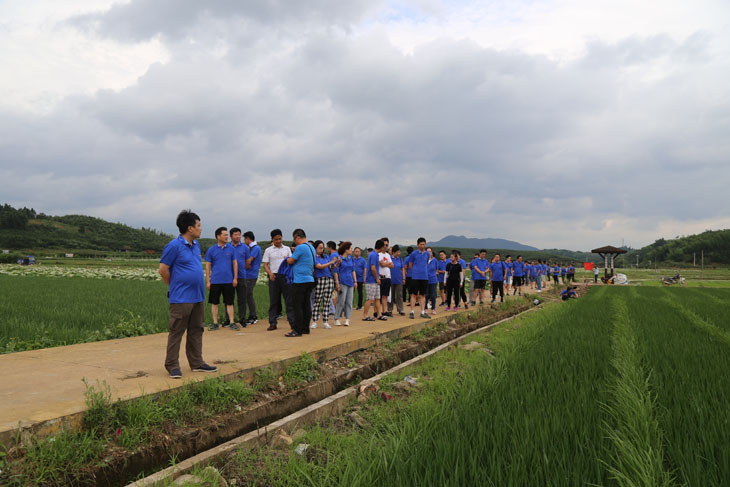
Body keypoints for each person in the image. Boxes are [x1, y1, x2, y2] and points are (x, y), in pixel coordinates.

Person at [159, 210, 217, 378]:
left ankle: (197, 362)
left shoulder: (196, 245)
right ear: (190, 228)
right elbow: (163, 270)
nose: (201, 228)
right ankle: (172, 365)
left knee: (196, 330)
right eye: (198, 225)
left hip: (198, 296)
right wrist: (175, 286)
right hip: (181, 298)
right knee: (177, 331)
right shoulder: (174, 246)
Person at [205, 227, 238, 330]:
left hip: (228, 280)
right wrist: (208, 281)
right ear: (218, 236)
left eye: (227, 235)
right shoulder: (211, 250)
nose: (227, 237)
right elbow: (208, 266)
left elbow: (235, 263)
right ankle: (215, 323)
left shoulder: (231, 249)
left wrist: (235, 278)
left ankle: (232, 322)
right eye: (225, 235)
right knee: (214, 302)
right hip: (215, 281)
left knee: (230, 302)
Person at [285, 229, 315, 337]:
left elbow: (291, 261)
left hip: (300, 280)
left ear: (297, 237)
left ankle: (297, 330)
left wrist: (286, 258)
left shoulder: (300, 247)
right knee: (306, 305)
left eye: (294, 239)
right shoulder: (311, 247)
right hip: (309, 279)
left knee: (297, 306)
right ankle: (305, 328)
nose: (295, 242)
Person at [262, 229, 293, 331]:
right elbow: (265, 264)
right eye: (276, 239)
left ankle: (292, 322)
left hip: (285, 276)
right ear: (272, 239)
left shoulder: (287, 249)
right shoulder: (268, 250)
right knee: (274, 301)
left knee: (289, 300)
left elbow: (291, 262)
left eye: (280, 239)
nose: (278, 241)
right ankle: (272, 323)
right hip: (274, 276)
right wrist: (270, 273)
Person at [311, 240, 336, 329]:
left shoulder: (326, 256)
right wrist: (331, 262)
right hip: (320, 279)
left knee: (327, 300)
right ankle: (314, 321)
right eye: (320, 248)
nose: (322, 250)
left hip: (329, 279)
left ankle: (325, 321)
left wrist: (335, 263)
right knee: (317, 300)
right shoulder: (314, 257)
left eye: (322, 248)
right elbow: (319, 266)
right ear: (315, 248)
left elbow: (331, 267)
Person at [333, 241, 357, 326]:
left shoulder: (351, 259)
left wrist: (355, 281)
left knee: (349, 301)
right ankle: (337, 318)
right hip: (342, 281)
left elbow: (353, 270)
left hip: (350, 282)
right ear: (346, 250)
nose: (351, 250)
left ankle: (347, 318)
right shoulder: (339, 259)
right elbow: (335, 271)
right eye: (350, 248)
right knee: (341, 301)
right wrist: (337, 283)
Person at [229, 228, 249, 328]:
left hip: (242, 276)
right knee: (229, 300)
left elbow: (247, 262)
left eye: (239, 235)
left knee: (242, 299)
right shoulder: (227, 247)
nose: (238, 236)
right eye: (235, 235)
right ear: (231, 236)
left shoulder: (245, 247)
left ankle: (242, 319)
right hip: (229, 277)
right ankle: (229, 320)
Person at [363, 240, 387, 321]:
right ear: (381, 247)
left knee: (377, 298)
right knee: (370, 299)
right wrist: (377, 278)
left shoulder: (376, 255)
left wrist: (379, 274)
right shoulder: (373, 255)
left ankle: (379, 314)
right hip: (371, 280)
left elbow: (374, 269)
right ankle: (365, 315)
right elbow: (372, 268)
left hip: (375, 280)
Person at [242, 231, 262, 325]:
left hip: (251, 275)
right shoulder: (251, 248)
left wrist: (244, 264)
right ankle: (251, 315)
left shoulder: (255, 248)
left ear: (248, 238)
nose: (244, 241)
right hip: (248, 274)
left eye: (244, 239)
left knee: (248, 295)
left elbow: (249, 260)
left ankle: (253, 316)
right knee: (247, 295)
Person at [408, 238, 430, 319]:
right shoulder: (413, 254)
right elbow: (410, 265)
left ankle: (423, 312)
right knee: (414, 294)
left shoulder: (427, 254)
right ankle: (412, 311)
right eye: (421, 244)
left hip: (424, 277)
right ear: (417, 245)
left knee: (423, 295)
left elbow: (426, 263)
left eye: (424, 244)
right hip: (415, 277)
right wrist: (415, 271)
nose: (422, 246)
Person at [389, 245, 406, 316]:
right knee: (391, 296)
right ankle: (389, 309)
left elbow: (402, 269)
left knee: (399, 295)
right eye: (398, 251)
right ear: (394, 252)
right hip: (391, 279)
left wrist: (403, 278)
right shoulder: (389, 258)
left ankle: (400, 309)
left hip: (399, 279)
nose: (399, 253)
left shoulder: (400, 259)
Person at [378, 237, 394, 317]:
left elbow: (392, 265)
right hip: (381, 277)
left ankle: (385, 311)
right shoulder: (378, 254)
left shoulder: (388, 255)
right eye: (384, 245)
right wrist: (387, 264)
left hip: (388, 277)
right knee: (378, 296)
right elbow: (381, 264)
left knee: (385, 295)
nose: (385, 246)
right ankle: (377, 312)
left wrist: (385, 264)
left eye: (387, 245)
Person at [426, 247, 438, 314]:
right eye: (427, 251)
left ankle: (433, 309)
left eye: (430, 251)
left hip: (433, 279)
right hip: (425, 279)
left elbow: (437, 270)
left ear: (432, 252)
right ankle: (425, 308)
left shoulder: (435, 261)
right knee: (426, 295)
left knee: (433, 295)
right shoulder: (424, 260)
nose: (429, 253)